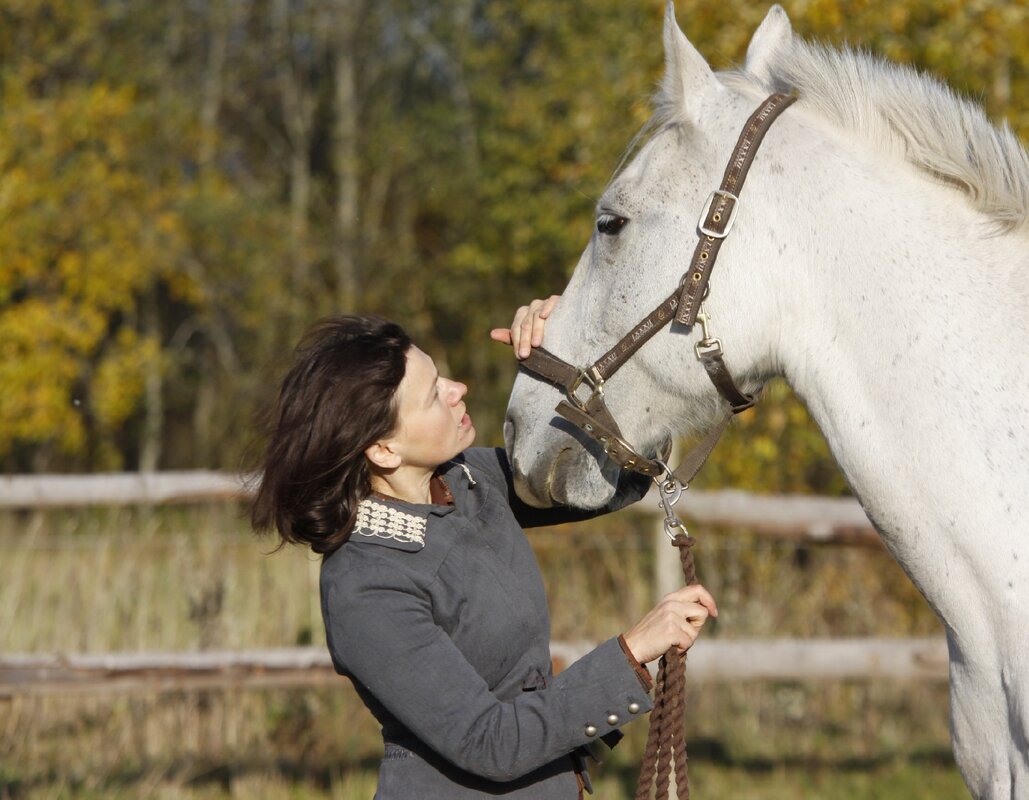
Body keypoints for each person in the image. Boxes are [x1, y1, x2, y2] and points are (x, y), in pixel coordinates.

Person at [250, 297, 718, 799]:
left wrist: (567, 350)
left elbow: (615, 476)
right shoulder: (364, 585)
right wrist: (633, 651)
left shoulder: (466, 479)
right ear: (383, 449)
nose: (458, 390)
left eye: (442, 378)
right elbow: (490, 742)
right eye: (433, 396)